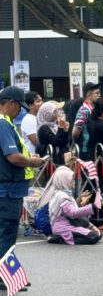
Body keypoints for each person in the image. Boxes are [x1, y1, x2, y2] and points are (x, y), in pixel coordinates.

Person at [0, 86, 45, 267]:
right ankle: (5, 274)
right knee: (7, 232)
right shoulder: (3, 124)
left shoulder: (6, 123)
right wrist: (33, 162)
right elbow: (12, 157)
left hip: (9, 189)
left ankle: (8, 273)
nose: (20, 111)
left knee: (6, 232)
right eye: (20, 107)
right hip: (8, 191)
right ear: (11, 103)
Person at [40, 166, 102, 245]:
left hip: (70, 224)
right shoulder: (61, 196)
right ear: (64, 181)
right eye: (71, 179)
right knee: (93, 237)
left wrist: (91, 226)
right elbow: (73, 213)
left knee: (98, 235)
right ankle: (60, 239)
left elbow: (72, 212)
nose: (74, 181)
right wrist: (93, 206)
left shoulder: (65, 194)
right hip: (63, 227)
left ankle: (66, 236)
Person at [72, 82, 100, 160]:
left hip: (93, 149)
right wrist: (81, 143)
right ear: (88, 95)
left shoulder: (93, 109)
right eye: (97, 93)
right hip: (85, 150)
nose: (99, 95)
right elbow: (75, 133)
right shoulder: (84, 110)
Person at [36, 101, 70, 166]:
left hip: (59, 160)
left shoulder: (54, 125)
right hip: (49, 163)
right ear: (48, 113)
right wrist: (61, 127)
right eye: (55, 111)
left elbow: (64, 143)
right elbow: (56, 142)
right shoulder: (43, 128)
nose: (59, 113)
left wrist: (65, 129)